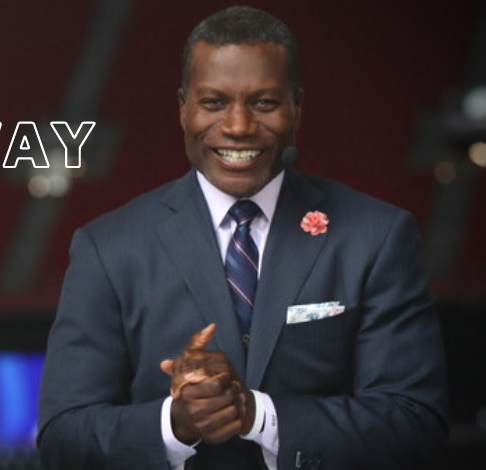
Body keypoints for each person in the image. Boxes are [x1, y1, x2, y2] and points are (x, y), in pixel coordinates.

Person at [38, 6, 448, 470]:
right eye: (214, 102)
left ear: (297, 106)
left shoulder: (378, 236)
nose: (238, 126)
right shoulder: (107, 247)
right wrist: (176, 424)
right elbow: (63, 438)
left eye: (264, 103)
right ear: (183, 107)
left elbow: (416, 426)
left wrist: (257, 415)